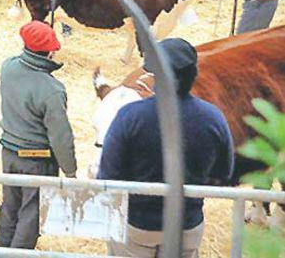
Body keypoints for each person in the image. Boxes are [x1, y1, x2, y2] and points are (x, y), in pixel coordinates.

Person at [99, 38, 234, 258]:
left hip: (137, 224)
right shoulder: (213, 117)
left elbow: (108, 175)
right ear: (193, 74)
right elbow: (224, 174)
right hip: (186, 224)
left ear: (155, 76)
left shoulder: (130, 116)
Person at [0, 21, 76, 249]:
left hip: (9, 153)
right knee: (31, 214)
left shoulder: (7, 68)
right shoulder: (53, 90)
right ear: (50, 52)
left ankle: (1, 251)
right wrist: (69, 170)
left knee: (9, 207)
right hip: (37, 160)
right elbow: (61, 136)